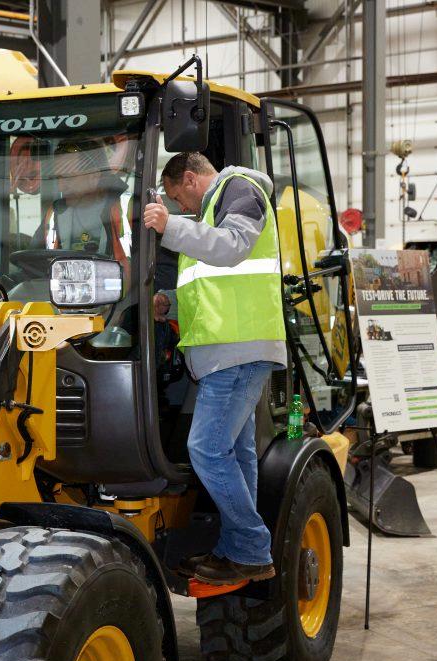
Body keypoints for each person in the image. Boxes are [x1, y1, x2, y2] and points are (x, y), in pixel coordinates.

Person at [143, 152, 286, 585]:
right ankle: (233, 549)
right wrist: (170, 302)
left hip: (237, 349)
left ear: (190, 179)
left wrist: (170, 226)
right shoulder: (213, 209)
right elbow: (214, 286)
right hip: (229, 348)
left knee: (205, 449)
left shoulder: (239, 187)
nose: (179, 206)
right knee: (238, 453)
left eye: (176, 197)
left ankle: (251, 548)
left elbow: (232, 248)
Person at [32, 139, 132, 268]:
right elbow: (32, 263)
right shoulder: (55, 212)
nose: (61, 187)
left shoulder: (128, 209)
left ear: (94, 176)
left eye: (68, 178)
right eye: (58, 178)